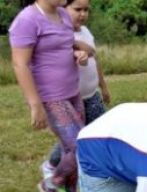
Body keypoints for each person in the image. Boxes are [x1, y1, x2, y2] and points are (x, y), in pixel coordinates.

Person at [9, 0, 93, 192]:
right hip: (51, 97)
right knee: (79, 145)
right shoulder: (27, 20)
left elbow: (66, 44)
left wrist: (79, 52)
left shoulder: (63, 15)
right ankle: (53, 183)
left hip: (72, 92)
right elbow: (20, 64)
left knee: (72, 146)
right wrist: (35, 104)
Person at [42, 0, 112, 182]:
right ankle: (51, 165)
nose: (82, 14)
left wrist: (103, 87)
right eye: (77, 9)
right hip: (72, 99)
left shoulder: (86, 32)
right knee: (74, 140)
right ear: (62, 10)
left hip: (92, 95)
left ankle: (96, 171)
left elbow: (95, 62)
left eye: (86, 10)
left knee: (99, 133)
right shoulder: (59, 36)